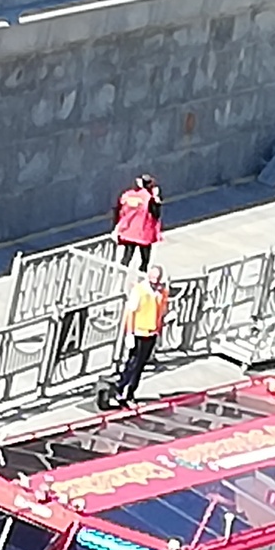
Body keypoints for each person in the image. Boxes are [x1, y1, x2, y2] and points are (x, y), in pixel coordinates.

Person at [114, 266, 170, 403]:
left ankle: (131, 393)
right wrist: (129, 333)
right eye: (153, 278)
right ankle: (120, 390)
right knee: (133, 363)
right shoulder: (139, 290)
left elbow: (161, 310)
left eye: (157, 279)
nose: (155, 281)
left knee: (140, 366)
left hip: (151, 333)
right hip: (139, 332)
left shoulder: (161, 292)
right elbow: (130, 312)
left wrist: (165, 318)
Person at [112, 173, 162, 270]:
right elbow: (156, 214)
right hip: (143, 232)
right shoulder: (149, 197)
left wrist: (116, 227)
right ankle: (141, 276)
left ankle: (121, 274)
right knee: (145, 259)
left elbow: (118, 210)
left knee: (127, 256)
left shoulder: (127, 195)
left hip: (128, 230)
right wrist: (156, 200)